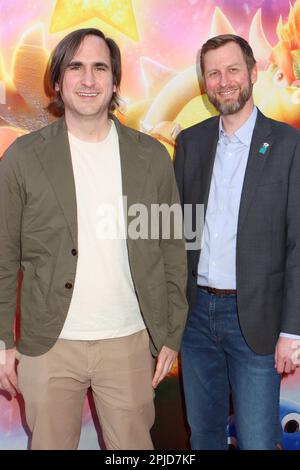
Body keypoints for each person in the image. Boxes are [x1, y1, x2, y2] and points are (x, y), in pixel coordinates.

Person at [0, 28, 188, 450]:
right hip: (48, 347)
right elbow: (2, 254)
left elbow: (171, 250)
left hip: (128, 342)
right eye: (76, 67)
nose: (88, 79)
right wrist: (2, 343)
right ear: (58, 80)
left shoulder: (151, 157)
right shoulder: (23, 158)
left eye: (100, 67)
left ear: (115, 81)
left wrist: (170, 336)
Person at [174, 34, 300, 450]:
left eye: (232, 70)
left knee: (257, 440)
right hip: (196, 320)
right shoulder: (190, 143)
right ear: (204, 83)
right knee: (204, 434)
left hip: (256, 321)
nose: (223, 81)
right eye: (213, 73)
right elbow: (180, 233)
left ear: (252, 73)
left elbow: (298, 244)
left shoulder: (288, 144)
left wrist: (293, 331)